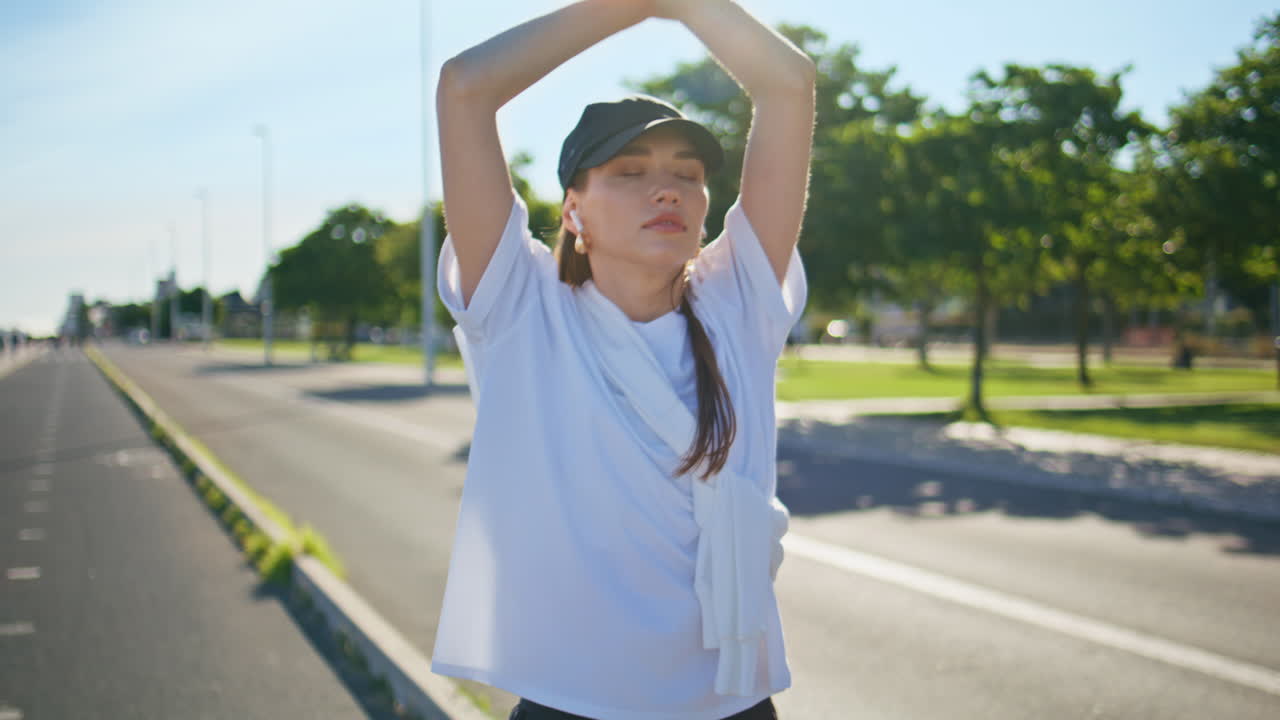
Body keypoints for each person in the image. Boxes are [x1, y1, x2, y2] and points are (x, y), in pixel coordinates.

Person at [432, 2, 815, 718]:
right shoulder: (521, 307)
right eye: (628, 172)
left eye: (687, 173)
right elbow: (465, 87)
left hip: (731, 705)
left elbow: (788, 84)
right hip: (569, 704)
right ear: (573, 211)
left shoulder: (741, 304)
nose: (666, 189)